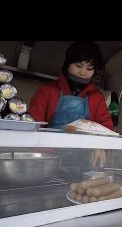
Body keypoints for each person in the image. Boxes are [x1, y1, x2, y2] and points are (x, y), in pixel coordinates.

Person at [29, 41, 112, 169]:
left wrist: (100, 145)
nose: (83, 72)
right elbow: (32, 127)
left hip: (83, 165)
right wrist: (49, 154)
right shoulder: (47, 91)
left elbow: (107, 129)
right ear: (67, 64)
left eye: (89, 69)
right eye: (79, 66)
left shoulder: (97, 98)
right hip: (47, 161)